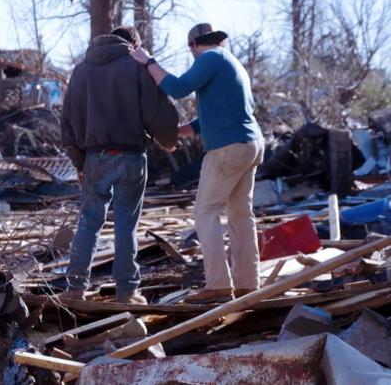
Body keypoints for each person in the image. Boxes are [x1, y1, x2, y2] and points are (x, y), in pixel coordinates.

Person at [131, 23, 264, 304]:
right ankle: (248, 285)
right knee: (241, 214)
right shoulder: (231, 63)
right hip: (250, 143)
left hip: (228, 149)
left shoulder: (210, 58)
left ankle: (217, 284)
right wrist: (176, 132)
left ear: (194, 45)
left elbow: (177, 88)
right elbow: (208, 120)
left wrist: (148, 62)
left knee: (205, 213)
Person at [60, 26, 179, 305]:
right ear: (134, 44)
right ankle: (127, 292)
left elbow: (68, 120)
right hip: (131, 155)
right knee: (126, 224)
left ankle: (75, 288)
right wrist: (168, 138)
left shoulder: (80, 71)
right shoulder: (136, 66)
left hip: (94, 157)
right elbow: (155, 109)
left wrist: (79, 162)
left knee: (89, 222)